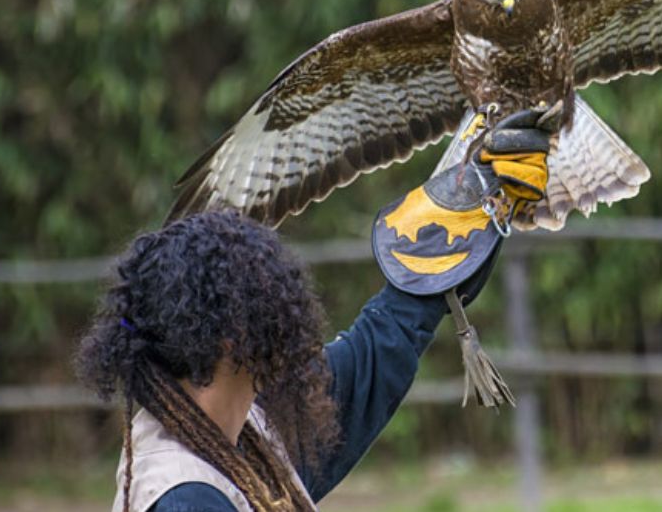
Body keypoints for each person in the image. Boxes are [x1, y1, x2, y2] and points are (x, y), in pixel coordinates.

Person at [75, 106, 556, 511]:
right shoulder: (187, 495)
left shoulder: (240, 428)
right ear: (231, 337)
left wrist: (466, 204)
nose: (286, 324)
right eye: (269, 306)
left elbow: (376, 354)